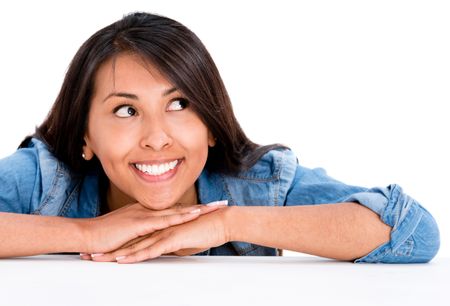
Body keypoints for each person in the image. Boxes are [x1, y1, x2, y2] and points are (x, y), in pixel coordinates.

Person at [0, 12, 440, 264]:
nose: (157, 138)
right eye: (126, 110)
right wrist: (86, 234)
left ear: (210, 123)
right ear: (85, 136)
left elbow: (414, 234)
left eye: (179, 105)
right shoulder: (45, 177)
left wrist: (225, 223)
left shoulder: (256, 183)